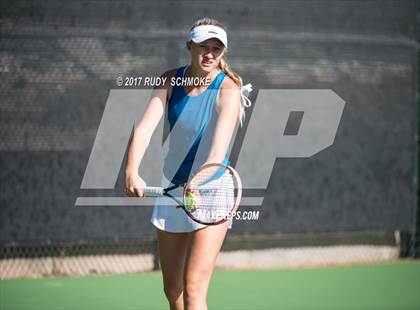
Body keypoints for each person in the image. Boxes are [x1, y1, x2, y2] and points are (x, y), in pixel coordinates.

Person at [125, 17, 251, 310]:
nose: (209, 54)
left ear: (223, 54)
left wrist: (195, 184)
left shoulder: (228, 89)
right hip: (174, 187)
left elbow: (217, 154)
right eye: (203, 47)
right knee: (173, 290)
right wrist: (132, 170)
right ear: (189, 47)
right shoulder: (170, 81)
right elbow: (144, 129)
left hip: (212, 189)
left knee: (194, 289)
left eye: (216, 49)